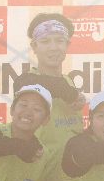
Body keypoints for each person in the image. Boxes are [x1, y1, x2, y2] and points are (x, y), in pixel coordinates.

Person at [14, 12, 85, 154]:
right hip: (41, 165)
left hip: (71, 166)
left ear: (67, 45)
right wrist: (70, 94)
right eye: (45, 41)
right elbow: (28, 83)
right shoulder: (28, 81)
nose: (53, 47)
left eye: (59, 40)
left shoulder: (68, 81)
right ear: (34, 46)